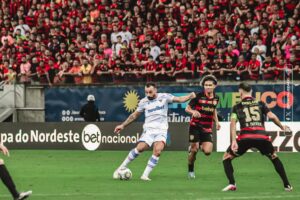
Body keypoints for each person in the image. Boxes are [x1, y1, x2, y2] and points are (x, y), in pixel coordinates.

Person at [113, 82, 196, 181]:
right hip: (149, 130)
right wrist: (123, 125)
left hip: (162, 130)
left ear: (155, 90)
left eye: (150, 92)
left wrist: (190, 95)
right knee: (140, 148)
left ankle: (145, 175)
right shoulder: (143, 102)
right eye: (146, 92)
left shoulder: (164, 97)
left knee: (158, 150)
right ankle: (121, 167)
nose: (148, 94)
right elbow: (134, 115)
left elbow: (180, 99)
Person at [222, 82, 293, 192]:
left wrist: (233, 141)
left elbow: (233, 123)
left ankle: (232, 183)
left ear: (240, 92)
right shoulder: (261, 103)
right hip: (262, 137)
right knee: (274, 157)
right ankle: (287, 185)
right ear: (251, 92)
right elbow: (272, 116)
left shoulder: (237, 107)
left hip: (245, 137)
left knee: (226, 158)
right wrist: (282, 126)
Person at [185, 75, 220, 179]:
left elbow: (213, 110)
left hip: (207, 127)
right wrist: (193, 111)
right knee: (194, 151)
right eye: (206, 85)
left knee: (208, 151)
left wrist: (217, 122)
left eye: (210, 85)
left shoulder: (216, 98)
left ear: (214, 86)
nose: (207, 87)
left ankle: (198, 144)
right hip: (195, 126)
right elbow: (187, 108)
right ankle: (191, 170)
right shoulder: (198, 96)